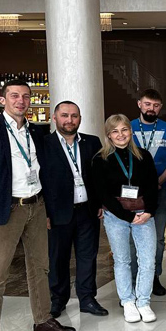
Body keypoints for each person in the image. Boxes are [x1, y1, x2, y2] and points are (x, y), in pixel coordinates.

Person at [0, 78, 76, 331]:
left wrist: (48, 210)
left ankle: (42, 319)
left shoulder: (37, 132)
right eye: (15, 96)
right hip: (6, 210)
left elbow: (45, 172)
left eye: (26, 96)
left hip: (36, 206)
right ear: (3, 99)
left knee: (40, 267)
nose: (21, 101)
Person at [92, 115, 159, 324]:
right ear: (108, 135)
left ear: (130, 131)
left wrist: (148, 211)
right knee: (122, 260)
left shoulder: (144, 156)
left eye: (124, 130)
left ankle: (143, 301)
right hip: (116, 216)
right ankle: (128, 301)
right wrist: (128, 216)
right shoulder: (100, 159)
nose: (120, 135)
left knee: (147, 260)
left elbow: (152, 186)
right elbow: (103, 194)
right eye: (115, 131)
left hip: (144, 214)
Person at [42, 101, 106, 318]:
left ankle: (87, 299)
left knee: (88, 256)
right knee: (58, 258)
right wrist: (45, 213)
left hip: (87, 210)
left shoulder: (92, 142)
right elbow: (41, 180)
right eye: (64, 115)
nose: (69, 120)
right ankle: (58, 300)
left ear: (80, 118)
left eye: (74, 116)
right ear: (54, 118)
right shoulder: (43, 144)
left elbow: (99, 175)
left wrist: (100, 202)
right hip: (57, 212)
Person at [130, 89, 166, 296]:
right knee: (133, 238)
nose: (151, 108)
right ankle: (134, 278)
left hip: (160, 190)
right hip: (133, 193)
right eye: (148, 104)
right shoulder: (128, 127)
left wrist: (158, 182)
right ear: (139, 104)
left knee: (157, 238)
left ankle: (154, 276)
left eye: (156, 105)